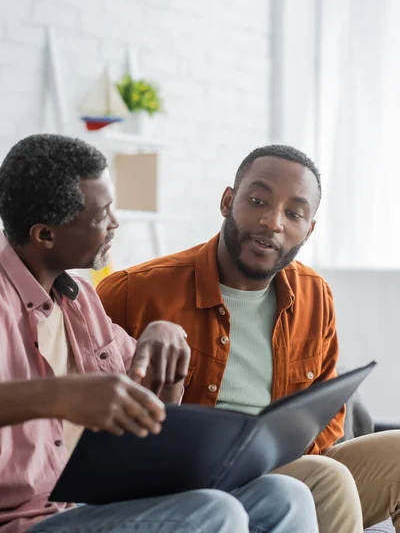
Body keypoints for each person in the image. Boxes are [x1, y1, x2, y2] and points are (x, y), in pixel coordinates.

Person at [0, 134, 319, 533]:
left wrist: (168, 354)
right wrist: (61, 395)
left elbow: (149, 413)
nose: (115, 223)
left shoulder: (79, 300)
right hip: (24, 521)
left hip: (91, 502)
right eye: (102, 215)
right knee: (215, 512)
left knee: (285, 497)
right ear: (45, 235)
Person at [98, 144, 400, 533]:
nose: (273, 222)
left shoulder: (314, 294)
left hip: (289, 466)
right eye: (258, 200)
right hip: (192, 483)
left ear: (308, 230)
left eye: (293, 214)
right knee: (327, 479)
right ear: (227, 201)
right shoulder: (133, 291)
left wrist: (285, 458)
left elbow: (327, 411)